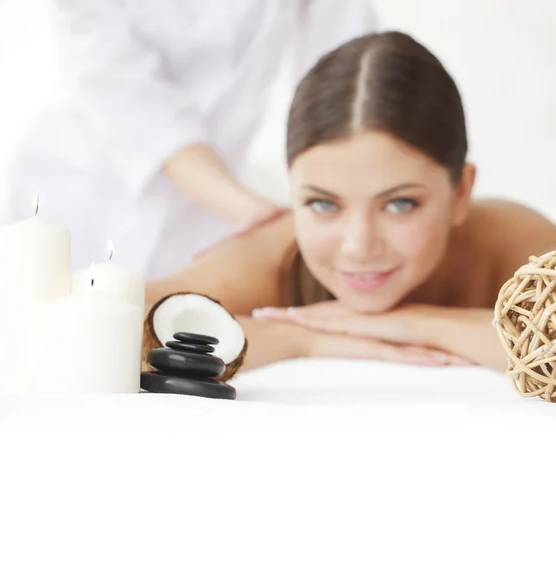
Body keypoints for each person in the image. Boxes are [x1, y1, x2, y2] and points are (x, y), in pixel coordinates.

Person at [0, 0, 376, 389]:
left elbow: (344, 73)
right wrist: (265, 213)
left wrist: (343, 202)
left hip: (208, 217)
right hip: (73, 194)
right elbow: (125, 91)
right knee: (16, 380)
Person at [144, 31, 556, 371]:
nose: (358, 245)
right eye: (323, 205)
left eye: (400, 205)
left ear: (462, 192)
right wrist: (300, 337)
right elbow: (112, 335)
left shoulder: (510, 243)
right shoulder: (275, 253)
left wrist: (418, 323)